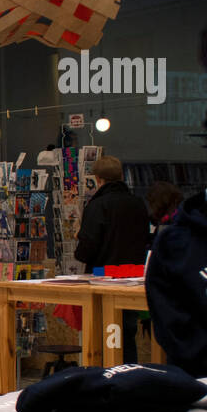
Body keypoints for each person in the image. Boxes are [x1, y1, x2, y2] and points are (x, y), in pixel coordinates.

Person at [76, 155, 150, 362]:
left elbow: (88, 246)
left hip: (103, 273)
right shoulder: (137, 203)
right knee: (127, 331)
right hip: (133, 273)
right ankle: (129, 372)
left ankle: (107, 374)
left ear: (98, 179)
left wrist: (80, 246)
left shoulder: (98, 205)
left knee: (105, 329)